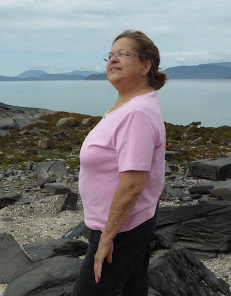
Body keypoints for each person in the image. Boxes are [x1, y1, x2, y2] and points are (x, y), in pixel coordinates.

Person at [71, 30, 168, 295]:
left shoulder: (136, 113)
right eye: (110, 55)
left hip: (121, 229)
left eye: (123, 54)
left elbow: (132, 187)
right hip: (127, 222)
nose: (113, 59)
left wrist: (106, 239)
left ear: (145, 65)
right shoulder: (128, 105)